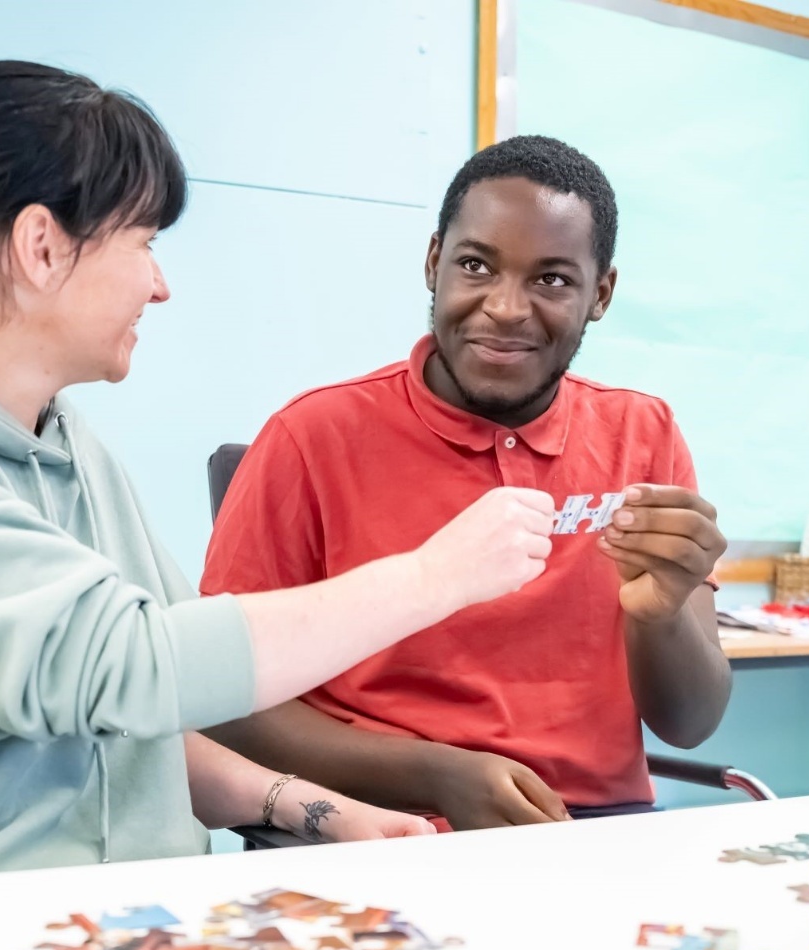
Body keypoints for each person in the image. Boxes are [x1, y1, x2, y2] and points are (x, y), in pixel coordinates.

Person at [0, 61, 556, 888]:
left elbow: (133, 721)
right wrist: (434, 576)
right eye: (143, 243)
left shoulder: (66, 442)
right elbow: (130, 664)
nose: (159, 284)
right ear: (41, 247)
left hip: (120, 915)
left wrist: (307, 806)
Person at [201, 136, 732, 830]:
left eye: (552, 279)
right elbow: (223, 699)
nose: (507, 307)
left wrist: (659, 613)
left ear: (600, 294)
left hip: (596, 835)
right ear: (433, 263)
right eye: (477, 265)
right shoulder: (312, 436)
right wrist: (434, 773)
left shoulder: (646, 433)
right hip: (386, 829)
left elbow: (690, 722)